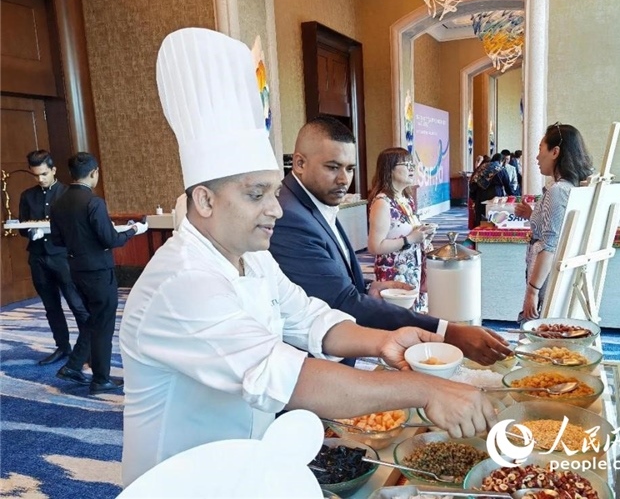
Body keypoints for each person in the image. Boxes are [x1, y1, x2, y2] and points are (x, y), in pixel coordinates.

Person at [120, 27, 497, 487]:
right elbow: (287, 377)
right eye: (256, 194)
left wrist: (383, 342)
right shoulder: (183, 282)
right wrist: (426, 389)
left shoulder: (252, 257)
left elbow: (311, 318)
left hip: (245, 462)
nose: (276, 209)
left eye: (273, 192)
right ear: (204, 200)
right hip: (180, 482)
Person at [270, 116, 511, 366]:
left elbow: (323, 280)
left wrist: (367, 287)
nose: (344, 179)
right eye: (332, 167)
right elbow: (341, 301)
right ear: (299, 163)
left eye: (350, 169)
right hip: (312, 363)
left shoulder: (313, 202)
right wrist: (448, 332)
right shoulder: (289, 218)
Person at [50, 152, 147, 394]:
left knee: (93, 320)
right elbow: (110, 239)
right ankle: (100, 379)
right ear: (94, 173)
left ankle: (73, 366)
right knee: (103, 324)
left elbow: (58, 240)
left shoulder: (58, 203)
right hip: (99, 272)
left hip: (75, 269)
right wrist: (134, 230)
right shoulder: (94, 202)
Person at [514, 123, 593, 321]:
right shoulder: (573, 188)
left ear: (555, 152)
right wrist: (533, 214)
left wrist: (532, 291)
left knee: (537, 332)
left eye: (540, 148)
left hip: (547, 284)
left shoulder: (558, 191)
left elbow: (549, 246)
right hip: (559, 280)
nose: (537, 157)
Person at [18, 150, 90, 365]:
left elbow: (76, 226)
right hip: (38, 257)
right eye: (36, 175)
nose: (40, 179)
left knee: (77, 304)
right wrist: (32, 232)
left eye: (44, 174)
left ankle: (88, 348)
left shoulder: (67, 194)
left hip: (63, 257)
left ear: (54, 170)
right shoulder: (27, 196)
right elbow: (23, 227)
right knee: (51, 307)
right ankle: (62, 346)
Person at [367, 147, 433, 313]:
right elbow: (375, 247)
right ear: (389, 169)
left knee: (414, 314)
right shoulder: (382, 202)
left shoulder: (406, 198)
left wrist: (423, 234)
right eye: (406, 165)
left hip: (412, 268)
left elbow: (407, 231)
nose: (412, 169)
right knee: (398, 317)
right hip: (393, 273)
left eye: (412, 165)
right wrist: (409, 239)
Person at [470, 153, 513, 227]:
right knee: (493, 217)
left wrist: (473, 196)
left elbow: (473, 181)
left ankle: (480, 230)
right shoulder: (500, 169)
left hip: (480, 195)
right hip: (495, 195)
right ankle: (492, 230)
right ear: (501, 161)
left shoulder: (482, 167)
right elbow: (507, 185)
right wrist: (512, 195)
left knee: (481, 216)